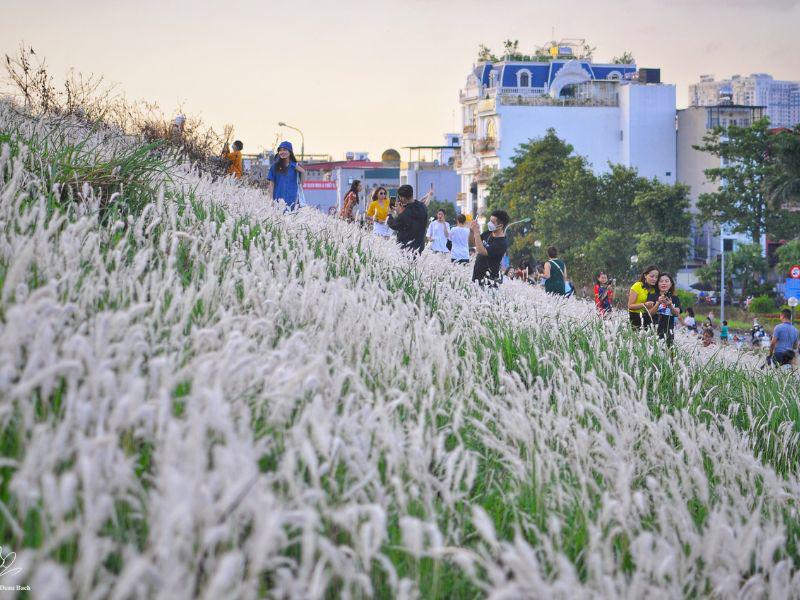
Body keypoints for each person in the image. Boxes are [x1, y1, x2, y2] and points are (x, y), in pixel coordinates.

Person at [469, 210, 509, 286]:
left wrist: (476, 232)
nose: (489, 224)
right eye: (490, 221)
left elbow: (482, 251)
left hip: (489, 282)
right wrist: (472, 232)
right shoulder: (488, 233)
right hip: (477, 278)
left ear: (500, 226)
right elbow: (472, 243)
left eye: (492, 222)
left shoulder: (501, 243)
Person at [387, 184, 428, 254]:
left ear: (403, 198)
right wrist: (402, 212)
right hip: (420, 245)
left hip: (406, 248)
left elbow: (393, 225)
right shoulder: (423, 207)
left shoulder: (405, 214)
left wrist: (390, 214)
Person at [267, 141, 305, 209]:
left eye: (284, 150)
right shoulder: (274, 167)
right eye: (280, 150)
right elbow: (271, 185)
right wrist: (271, 201)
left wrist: (303, 172)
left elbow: (301, 184)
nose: (282, 152)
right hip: (278, 202)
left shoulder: (296, 166)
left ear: (290, 152)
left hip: (293, 202)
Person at [654, 272, 682, 346]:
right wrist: (658, 303)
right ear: (657, 284)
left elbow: (676, 314)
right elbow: (649, 313)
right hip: (653, 331)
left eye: (666, 281)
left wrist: (670, 305)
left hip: (668, 333)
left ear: (671, 284)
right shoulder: (652, 296)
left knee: (668, 355)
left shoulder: (675, 298)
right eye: (661, 281)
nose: (664, 283)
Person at [627, 265, 659, 330]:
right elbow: (630, 306)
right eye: (652, 276)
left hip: (649, 318)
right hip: (636, 317)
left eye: (656, 277)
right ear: (645, 276)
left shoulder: (654, 290)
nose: (654, 279)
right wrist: (644, 305)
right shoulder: (637, 286)